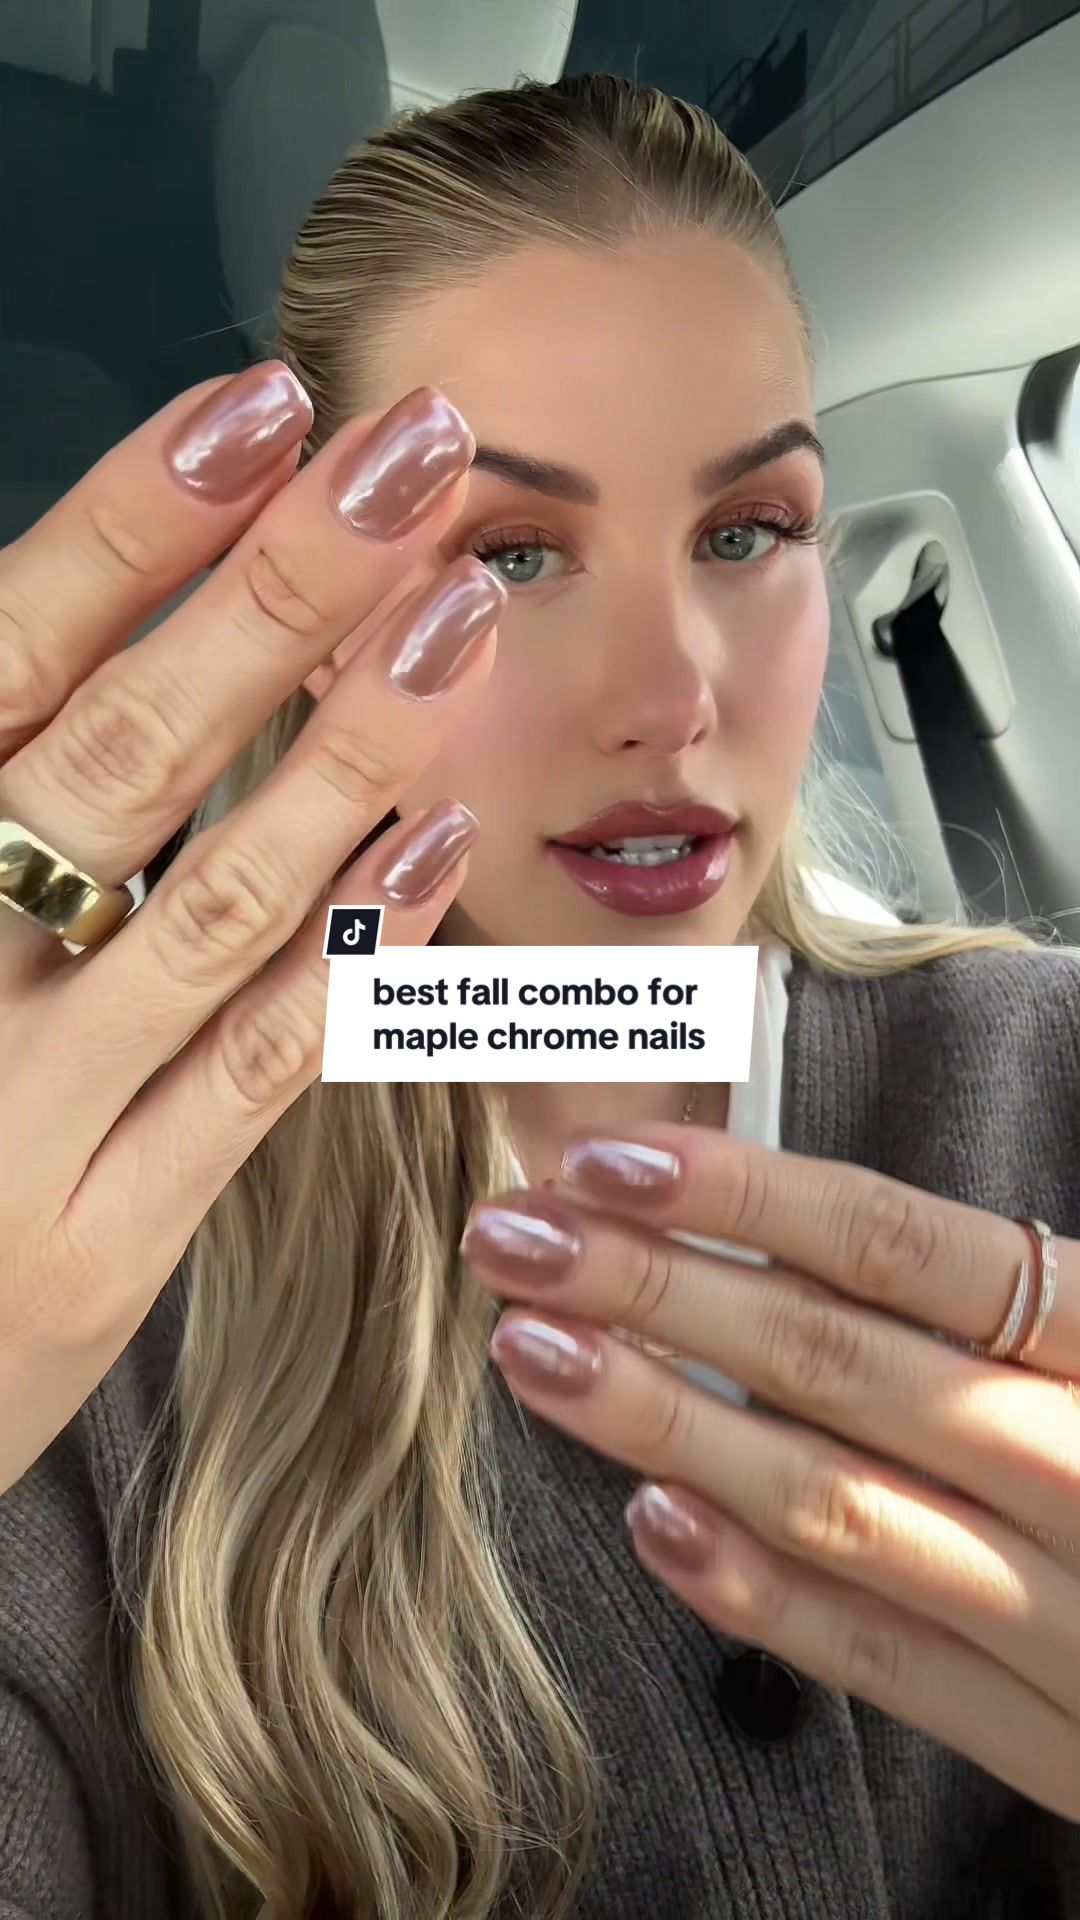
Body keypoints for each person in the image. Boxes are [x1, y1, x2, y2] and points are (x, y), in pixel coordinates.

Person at [1, 69, 1078, 1920]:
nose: (668, 696)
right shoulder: (82, 1290)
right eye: (512, 555)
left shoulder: (1048, 1071)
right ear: (319, 625)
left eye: (746, 531)